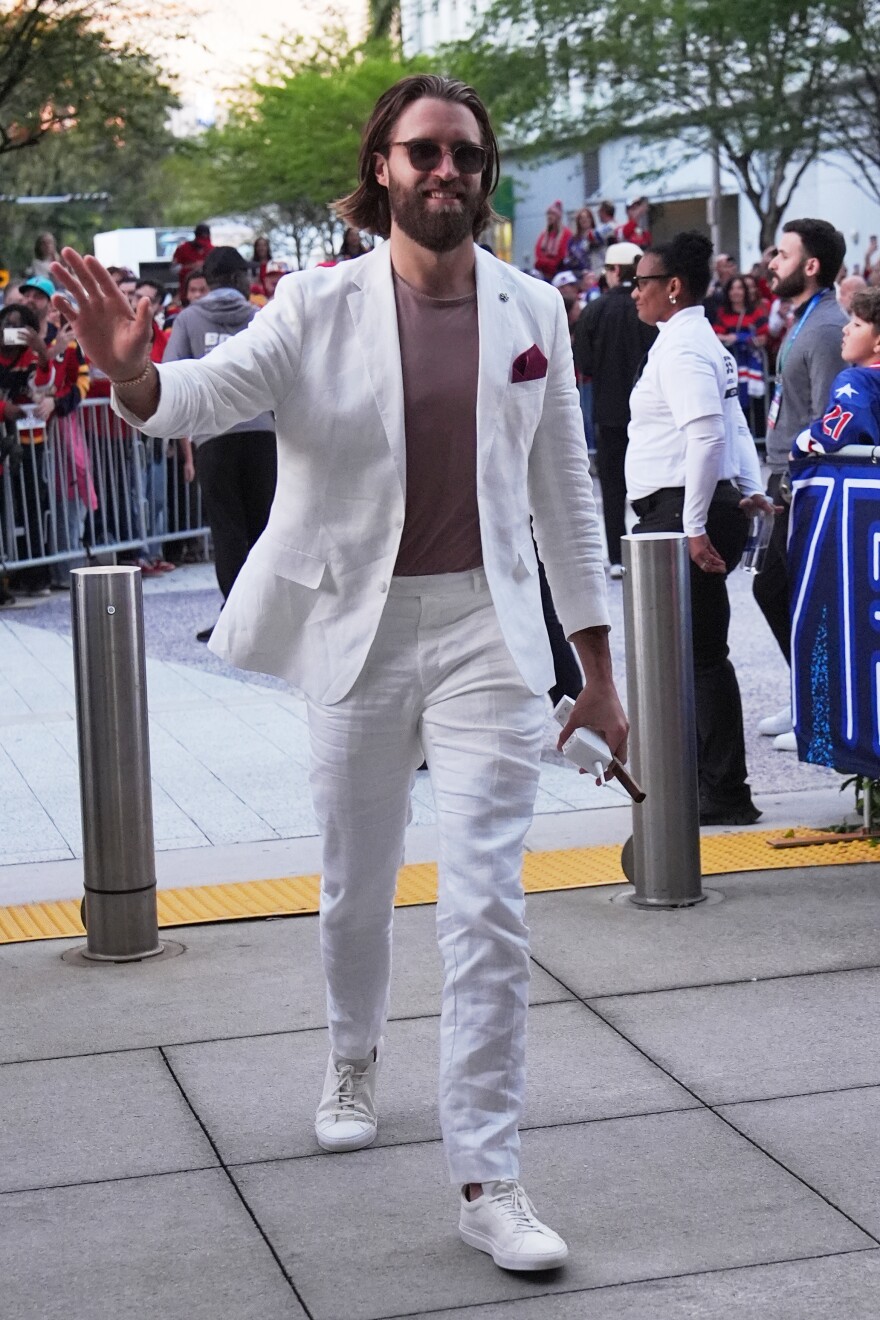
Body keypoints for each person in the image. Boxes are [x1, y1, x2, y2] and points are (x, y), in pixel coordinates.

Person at [52, 72, 627, 1273]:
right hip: (356, 630)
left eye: (464, 154)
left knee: (484, 902)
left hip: (487, 632)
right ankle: (351, 1055)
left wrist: (599, 668)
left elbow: (564, 492)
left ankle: (489, 1175)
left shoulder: (534, 310)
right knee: (355, 883)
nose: (444, 172)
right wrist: (132, 373)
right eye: (421, 151)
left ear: (483, 170)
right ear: (382, 168)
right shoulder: (315, 305)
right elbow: (203, 398)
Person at [628, 231, 771, 825]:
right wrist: (751, 485)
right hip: (698, 505)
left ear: (674, 287)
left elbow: (710, 433)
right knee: (695, 654)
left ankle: (723, 790)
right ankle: (707, 782)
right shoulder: (692, 342)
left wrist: (692, 525)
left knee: (698, 656)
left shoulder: (684, 348)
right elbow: (735, 420)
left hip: (683, 510)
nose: (633, 292)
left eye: (642, 282)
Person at [755, 218, 846, 749]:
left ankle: (821, 702)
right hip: (785, 475)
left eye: (783, 256)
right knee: (774, 587)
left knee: (785, 587)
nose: (772, 263)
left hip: (804, 479)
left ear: (811, 266)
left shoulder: (828, 325)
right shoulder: (804, 320)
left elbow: (827, 417)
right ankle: (808, 695)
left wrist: (800, 482)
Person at [160, 245, 277, 640]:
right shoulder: (260, 318)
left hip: (215, 437)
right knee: (265, 527)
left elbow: (174, 373)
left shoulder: (188, 319)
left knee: (227, 528)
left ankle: (235, 617)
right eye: (246, 276)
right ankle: (268, 615)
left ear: (208, 281)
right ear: (235, 279)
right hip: (263, 433)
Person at [574, 241, 657, 578]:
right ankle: (652, 546)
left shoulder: (593, 312)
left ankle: (618, 556)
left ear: (612, 270)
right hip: (649, 413)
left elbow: (584, 363)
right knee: (651, 484)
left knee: (612, 488)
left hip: (608, 413)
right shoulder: (650, 310)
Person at [793, 287, 880, 455]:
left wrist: (804, 443)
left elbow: (840, 431)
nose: (845, 329)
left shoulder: (856, 380)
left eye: (856, 324)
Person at [712, 274, 768, 436]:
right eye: (732, 288)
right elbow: (716, 335)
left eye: (740, 288)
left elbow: (763, 337)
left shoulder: (756, 313)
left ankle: (758, 441)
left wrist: (740, 338)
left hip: (752, 368)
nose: (736, 292)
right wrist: (729, 339)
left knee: (756, 406)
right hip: (732, 368)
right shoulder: (722, 314)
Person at [533, 200, 572, 282]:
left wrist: (546, 263)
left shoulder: (566, 234)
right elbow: (538, 252)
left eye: (553, 214)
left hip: (558, 273)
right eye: (548, 214)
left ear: (558, 217)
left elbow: (561, 255)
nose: (550, 217)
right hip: (543, 273)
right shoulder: (544, 234)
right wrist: (544, 263)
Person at [172, 223, 213, 299]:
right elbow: (174, 269)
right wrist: (191, 266)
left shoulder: (212, 249)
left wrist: (205, 265)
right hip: (186, 293)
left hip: (208, 293)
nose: (203, 246)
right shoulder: (183, 249)